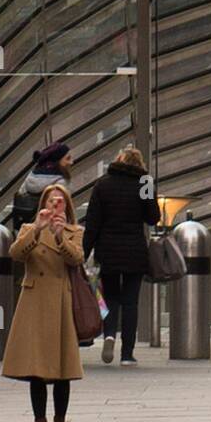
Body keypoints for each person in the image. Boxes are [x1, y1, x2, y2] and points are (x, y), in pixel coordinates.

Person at [2, 183, 85, 422]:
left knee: (63, 371)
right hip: (34, 303)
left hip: (61, 302)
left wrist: (60, 237)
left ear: (67, 206)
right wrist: (37, 229)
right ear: (43, 205)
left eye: (60, 201)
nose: (55, 205)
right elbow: (15, 254)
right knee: (36, 370)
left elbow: (77, 260)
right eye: (51, 201)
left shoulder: (75, 231)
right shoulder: (29, 229)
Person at [82, 146, 160, 365]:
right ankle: (127, 353)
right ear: (139, 164)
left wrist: (84, 252)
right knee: (130, 302)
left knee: (111, 299)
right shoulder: (144, 182)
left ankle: (109, 336)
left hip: (108, 251)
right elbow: (153, 217)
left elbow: (93, 223)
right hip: (134, 251)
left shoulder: (103, 184)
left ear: (118, 161)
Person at [12, 142, 74, 233]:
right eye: (67, 158)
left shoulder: (30, 177)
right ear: (57, 161)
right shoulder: (61, 183)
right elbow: (62, 211)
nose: (72, 162)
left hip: (27, 230)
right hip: (52, 232)